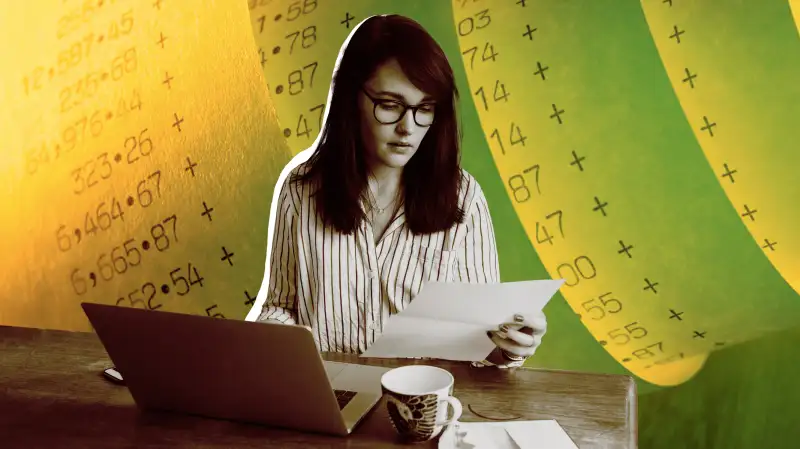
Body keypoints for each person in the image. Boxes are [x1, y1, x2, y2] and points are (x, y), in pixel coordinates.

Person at [256, 14, 547, 368]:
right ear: (352, 99)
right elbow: (281, 305)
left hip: (423, 401)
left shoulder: (464, 198)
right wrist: (270, 337)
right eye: (390, 105)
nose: (408, 128)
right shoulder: (300, 191)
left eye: (424, 109)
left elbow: (483, 341)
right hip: (326, 395)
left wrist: (511, 345)